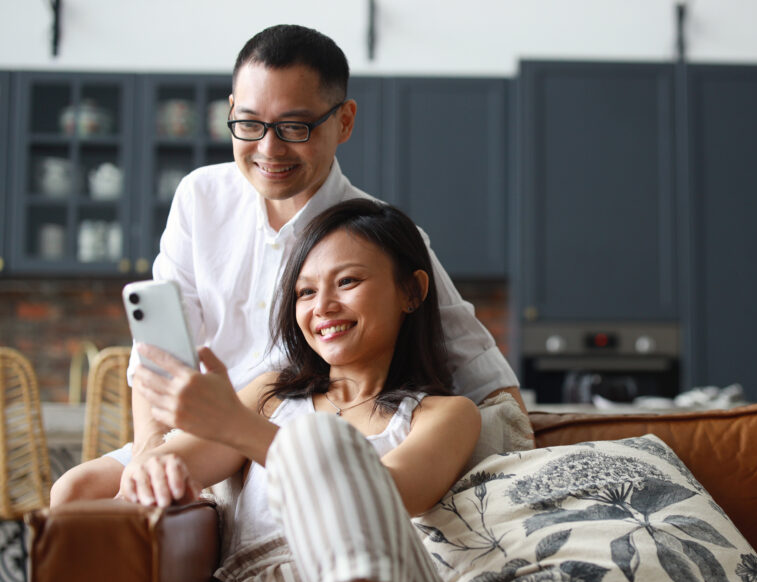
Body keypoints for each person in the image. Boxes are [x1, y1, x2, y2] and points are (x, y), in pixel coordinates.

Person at [50, 24, 522, 506]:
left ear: (344, 121)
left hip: (291, 431)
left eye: (295, 128)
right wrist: (152, 450)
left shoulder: (375, 234)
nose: (269, 149)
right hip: (210, 434)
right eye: (249, 124)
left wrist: (522, 480)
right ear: (231, 112)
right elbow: (159, 350)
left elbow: (482, 373)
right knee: (73, 490)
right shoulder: (200, 196)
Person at [124, 198, 483, 582]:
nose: (322, 307)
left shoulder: (447, 414)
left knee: (323, 438)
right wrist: (152, 469)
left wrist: (237, 426)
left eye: (347, 282)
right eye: (305, 292)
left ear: (412, 291)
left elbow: (391, 492)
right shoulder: (271, 396)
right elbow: (168, 464)